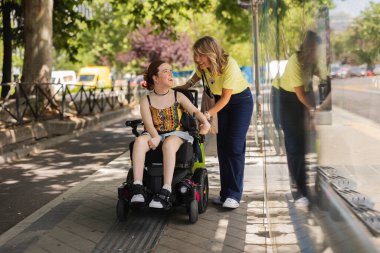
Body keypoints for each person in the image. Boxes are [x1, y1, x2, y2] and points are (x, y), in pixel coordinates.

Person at [179, 36, 254, 209]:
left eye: (200, 55)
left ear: (210, 53)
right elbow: (192, 81)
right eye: (195, 55)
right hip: (221, 103)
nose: (197, 59)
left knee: (234, 147)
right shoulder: (203, 67)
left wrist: (206, 115)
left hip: (240, 103)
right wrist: (177, 90)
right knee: (223, 147)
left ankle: (234, 195)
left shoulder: (229, 65)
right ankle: (225, 193)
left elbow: (227, 97)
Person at [130, 60, 210, 209]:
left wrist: (205, 122)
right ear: (155, 78)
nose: (170, 73)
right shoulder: (146, 100)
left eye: (171, 70)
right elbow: (148, 123)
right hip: (154, 132)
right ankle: (138, 187)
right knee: (140, 141)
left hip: (176, 132)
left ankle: (166, 189)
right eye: (166, 71)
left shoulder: (177, 96)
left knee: (168, 144)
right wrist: (154, 136)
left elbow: (195, 111)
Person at [272, 30, 326, 207]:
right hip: (285, 97)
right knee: (294, 144)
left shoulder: (316, 61)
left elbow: (325, 78)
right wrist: (313, 110)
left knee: (306, 143)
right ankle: (298, 191)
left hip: (304, 96)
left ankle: (312, 187)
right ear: (310, 49)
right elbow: (300, 93)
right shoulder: (296, 61)